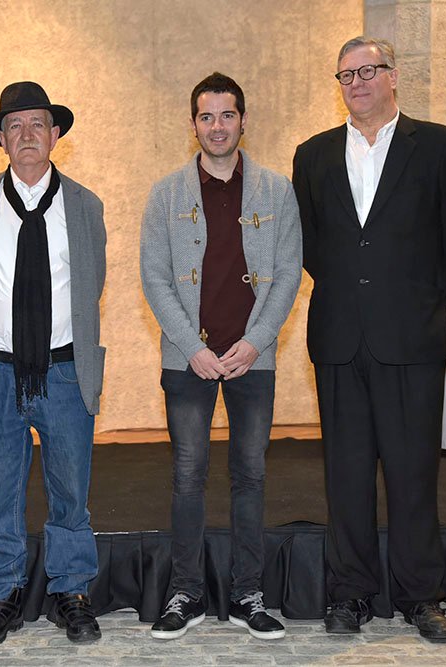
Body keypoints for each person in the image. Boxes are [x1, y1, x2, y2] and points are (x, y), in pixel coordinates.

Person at [292, 36, 446, 643]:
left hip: (413, 338)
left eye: (367, 71)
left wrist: (423, 299)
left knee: (412, 473)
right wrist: (356, 290)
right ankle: (349, 594)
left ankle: (421, 595)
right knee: (345, 476)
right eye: (345, 75)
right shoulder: (313, 154)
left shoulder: (438, 145)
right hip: (340, 338)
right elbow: (312, 245)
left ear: (393, 77)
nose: (357, 83)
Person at [140, 72, 303, 640]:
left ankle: (247, 595)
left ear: (243, 120)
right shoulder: (165, 194)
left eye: (227, 115)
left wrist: (255, 342)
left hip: (251, 359)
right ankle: (185, 593)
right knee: (187, 476)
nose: (217, 126)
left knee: (250, 476)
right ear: (193, 125)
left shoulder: (277, 191)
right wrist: (194, 348)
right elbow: (155, 278)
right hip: (189, 361)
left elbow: (286, 275)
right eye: (206, 116)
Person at [0, 81, 107, 647]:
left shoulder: (85, 206)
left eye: (37, 124)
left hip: (66, 371)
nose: (26, 135)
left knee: (71, 490)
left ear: (56, 135)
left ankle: (71, 592)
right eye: (14, 126)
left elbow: (92, 283)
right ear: (0, 137)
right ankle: (3, 596)